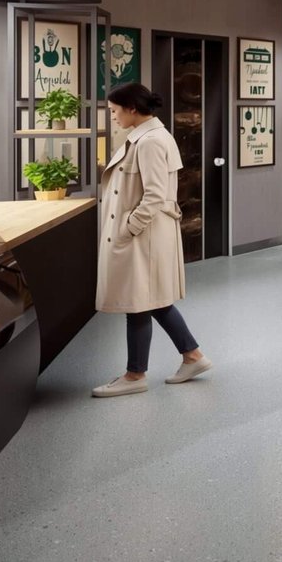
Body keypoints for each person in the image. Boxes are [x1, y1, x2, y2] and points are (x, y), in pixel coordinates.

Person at [92, 82, 212, 397]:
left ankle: (136, 375)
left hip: (142, 236)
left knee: (140, 302)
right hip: (145, 235)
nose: (113, 116)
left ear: (132, 108)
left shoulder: (150, 142)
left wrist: (130, 227)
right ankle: (191, 356)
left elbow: (156, 194)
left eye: (115, 110)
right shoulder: (147, 137)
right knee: (149, 300)